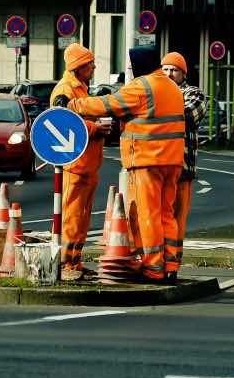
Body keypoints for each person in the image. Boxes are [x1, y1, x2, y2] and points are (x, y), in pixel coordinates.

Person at [68, 46, 185, 284]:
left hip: (147, 160)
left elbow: (107, 105)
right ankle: (171, 265)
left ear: (140, 65)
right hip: (172, 161)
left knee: (147, 215)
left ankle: (153, 267)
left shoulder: (142, 86)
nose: (131, 71)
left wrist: (73, 105)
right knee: (166, 214)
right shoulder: (172, 87)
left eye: (132, 66)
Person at [50, 43, 111, 280]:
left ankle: (74, 262)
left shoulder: (80, 89)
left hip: (86, 164)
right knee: (71, 216)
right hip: (75, 165)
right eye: (90, 64)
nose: (94, 67)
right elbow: (61, 122)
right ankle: (66, 264)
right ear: (78, 67)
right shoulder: (65, 90)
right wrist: (96, 127)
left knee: (81, 217)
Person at [161, 52, 206, 270]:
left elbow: (187, 115)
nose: (169, 74)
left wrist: (158, 111)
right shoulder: (157, 92)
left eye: (174, 70)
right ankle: (158, 259)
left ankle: (173, 262)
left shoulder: (193, 94)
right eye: (166, 69)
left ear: (183, 73)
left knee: (177, 217)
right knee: (159, 215)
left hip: (182, 167)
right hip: (158, 166)